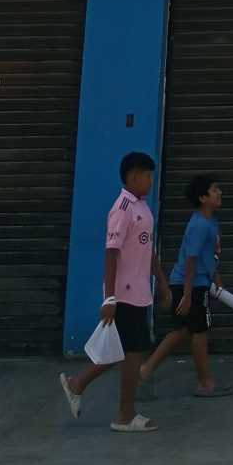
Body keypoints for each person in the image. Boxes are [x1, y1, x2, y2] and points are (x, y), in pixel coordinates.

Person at [58, 150, 172, 431]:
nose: (151, 181)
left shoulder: (142, 207)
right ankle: (124, 415)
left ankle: (78, 384)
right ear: (133, 177)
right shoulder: (122, 209)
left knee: (123, 351)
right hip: (124, 294)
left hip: (140, 293)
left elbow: (147, 249)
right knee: (130, 353)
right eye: (147, 176)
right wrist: (109, 298)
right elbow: (111, 253)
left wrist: (162, 282)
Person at [138, 175, 228, 398]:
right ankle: (205, 383)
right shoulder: (200, 225)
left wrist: (216, 276)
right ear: (203, 198)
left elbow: (208, 255)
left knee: (182, 330)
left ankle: (145, 370)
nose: (220, 193)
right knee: (200, 331)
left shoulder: (210, 221)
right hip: (191, 285)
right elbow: (191, 259)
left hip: (192, 283)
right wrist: (188, 294)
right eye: (215, 189)